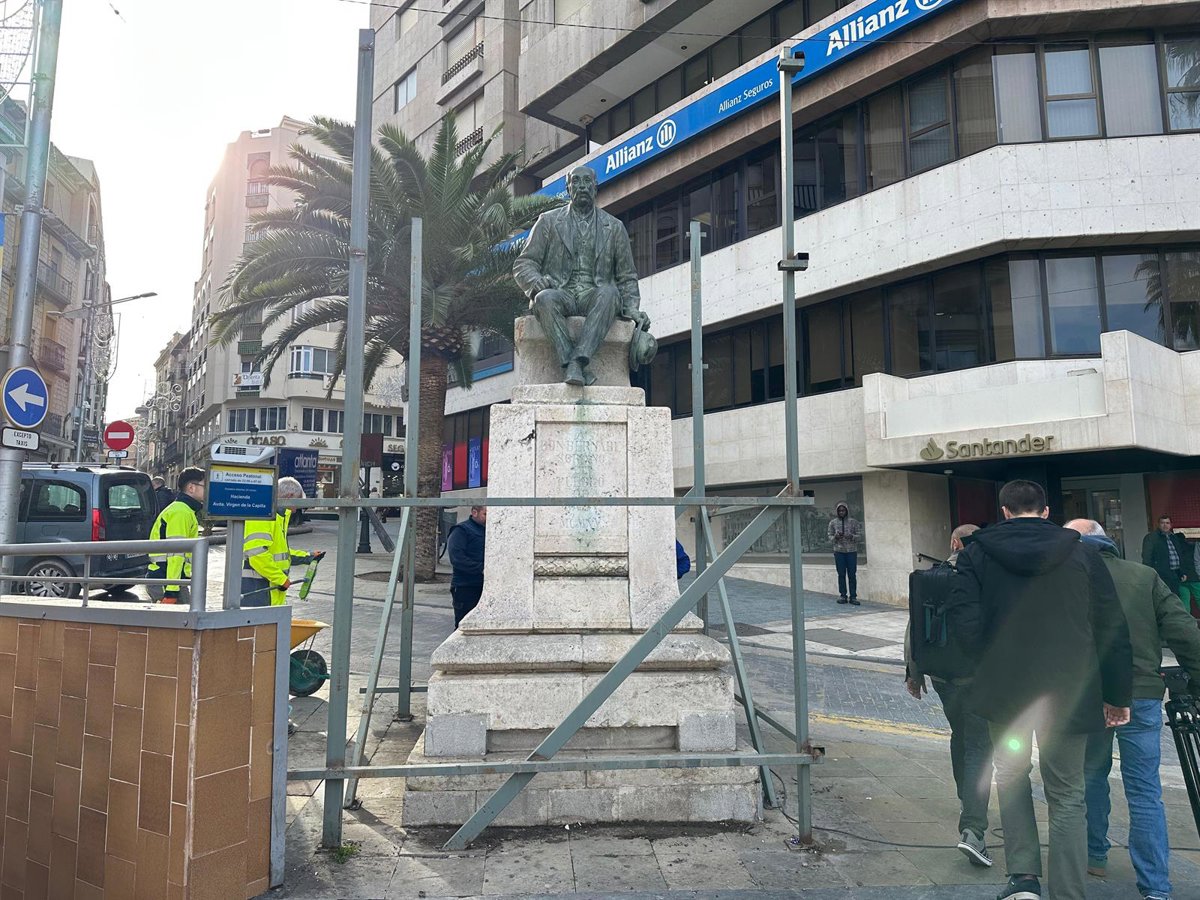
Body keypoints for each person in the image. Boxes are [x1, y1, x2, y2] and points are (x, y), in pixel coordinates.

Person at [950, 480, 1132, 900]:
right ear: (1047, 511)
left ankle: (1024, 879)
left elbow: (963, 622)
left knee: (1012, 777)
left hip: (1005, 694)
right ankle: (1069, 891)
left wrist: (988, 666)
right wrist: (1117, 695)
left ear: (1005, 511)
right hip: (1068, 692)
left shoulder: (976, 554)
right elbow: (1111, 626)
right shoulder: (1084, 554)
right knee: (1067, 793)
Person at [1066, 518, 1200, 900]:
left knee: (1091, 776)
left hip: (1088, 696)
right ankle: (1155, 886)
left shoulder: (1066, 581)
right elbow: (1186, 633)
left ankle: (1095, 854)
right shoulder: (1144, 577)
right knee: (1145, 790)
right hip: (1142, 694)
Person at [512, 165, 651, 386]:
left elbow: (626, 276)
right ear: (568, 188)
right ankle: (572, 362)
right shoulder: (548, 221)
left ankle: (577, 361)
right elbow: (523, 263)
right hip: (561, 292)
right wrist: (536, 282)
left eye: (587, 182)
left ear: (595, 188)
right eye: (576, 181)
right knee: (543, 299)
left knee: (610, 293)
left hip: (593, 295)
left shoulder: (614, 227)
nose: (582, 186)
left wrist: (632, 307)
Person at [905, 523, 994, 868]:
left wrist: (914, 674)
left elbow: (914, 626)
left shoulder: (933, 577)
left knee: (961, 734)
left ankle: (966, 799)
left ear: (954, 543)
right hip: (977, 678)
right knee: (980, 746)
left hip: (942, 676)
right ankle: (973, 829)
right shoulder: (984, 576)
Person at [241, 476, 322, 608]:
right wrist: (281, 579)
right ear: (289, 497)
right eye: (297, 502)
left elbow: (280, 553)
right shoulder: (264, 516)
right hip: (258, 592)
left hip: (268, 593)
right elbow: (257, 554)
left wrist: (308, 556)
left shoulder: (278, 517)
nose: (296, 509)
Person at [146, 467, 206, 604]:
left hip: (169, 579)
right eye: (205, 486)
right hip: (167, 580)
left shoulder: (184, 510)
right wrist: (171, 591)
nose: (208, 490)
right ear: (191, 488)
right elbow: (176, 555)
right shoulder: (181, 512)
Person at [1141, 515, 1199, 618]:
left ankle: (1176, 622)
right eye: (1162, 523)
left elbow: (1178, 556)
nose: (1165, 525)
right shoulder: (1152, 538)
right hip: (1161, 575)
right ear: (1158, 524)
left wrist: (1182, 572)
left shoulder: (1173, 537)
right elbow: (1146, 557)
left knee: (1175, 601)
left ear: (1171, 525)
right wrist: (1148, 574)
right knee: (1163, 601)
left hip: (1175, 575)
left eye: (1167, 523)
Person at [447, 505, 486, 627]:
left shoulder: (489, 530)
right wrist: (482, 568)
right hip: (466, 586)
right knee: (464, 625)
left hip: (483, 585)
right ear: (475, 512)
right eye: (485, 514)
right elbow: (457, 558)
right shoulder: (461, 530)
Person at [828, 501, 861, 605]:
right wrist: (835, 537)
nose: (841, 512)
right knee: (841, 574)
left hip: (851, 551)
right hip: (839, 552)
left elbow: (860, 536)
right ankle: (843, 595)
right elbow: (829, 536)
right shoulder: (833, 523)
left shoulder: (854, 522)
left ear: (847, 511)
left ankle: (853, 596)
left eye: (843, 510)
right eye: (839, 511)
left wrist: (852, 536)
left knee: (852, 574)